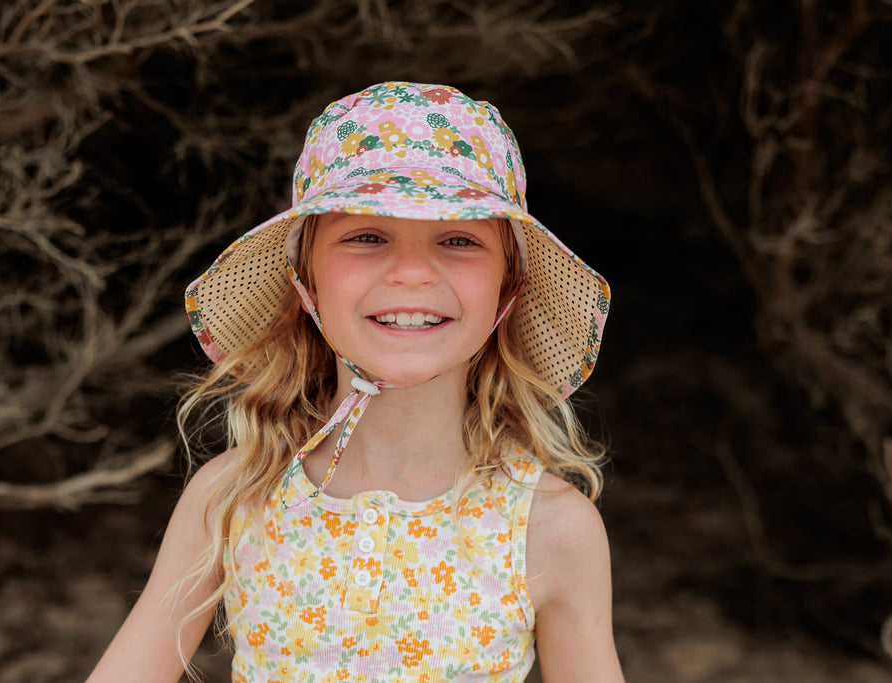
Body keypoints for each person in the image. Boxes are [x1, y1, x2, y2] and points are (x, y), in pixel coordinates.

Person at [88, 81, 623, 682]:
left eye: (459, 239)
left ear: (509, 285)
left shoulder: (550, 527)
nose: (412, 273)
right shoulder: (236, 496)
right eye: (366, 237)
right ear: (306, 279)